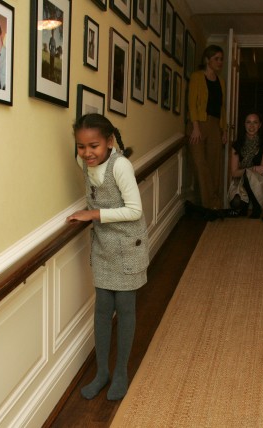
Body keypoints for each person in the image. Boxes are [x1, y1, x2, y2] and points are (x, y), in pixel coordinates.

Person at [66, 114, 149, 401]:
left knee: (125, 309)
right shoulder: (84, 163)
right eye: (81, 146)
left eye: (94, 146)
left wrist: (93, 214)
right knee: (102, 309)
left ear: (109, 141)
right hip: (103, 247)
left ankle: (121, 372)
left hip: (127, 246)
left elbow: (135, 210)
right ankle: (102, 372)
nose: (87, 153)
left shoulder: (121, 165)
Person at [187, 45, 228, 213]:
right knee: (200, 164)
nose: (220, 62)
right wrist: (195, 127)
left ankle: (212, 204)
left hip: (215, 125)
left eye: (221, 59)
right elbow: (191, 102)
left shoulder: (221, 82)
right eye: (217, 58)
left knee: (214, 166)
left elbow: (222, 107)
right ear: (207, 59)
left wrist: (224, 129)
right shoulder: (197, 77)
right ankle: (209, 205)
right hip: (198, 124)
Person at [227, 113, 263, 218]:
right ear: (244, 124)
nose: (251, 126)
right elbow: (234, 172)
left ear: (260, 125)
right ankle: (245, 205)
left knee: (249, 175)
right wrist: (252, 169)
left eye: (255, 122)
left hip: (261, 182)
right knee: (235, 203)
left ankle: (257, 207)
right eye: (248, 122)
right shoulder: (237, 144)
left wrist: (248, 172)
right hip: (241, 181)